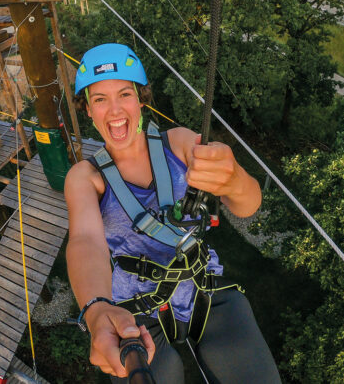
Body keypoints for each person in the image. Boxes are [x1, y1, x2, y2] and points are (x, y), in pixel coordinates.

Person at [64, 43, 281, 383]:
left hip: (205, 290)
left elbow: (248, 204)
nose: (115, 110)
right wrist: (97, 308)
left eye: (124, 94)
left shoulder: (178, 144)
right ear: (88, 111)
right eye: (100, 99)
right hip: (134, 313)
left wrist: (234, 179)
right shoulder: (85, 178)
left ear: (141, 99)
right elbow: (85, 241)